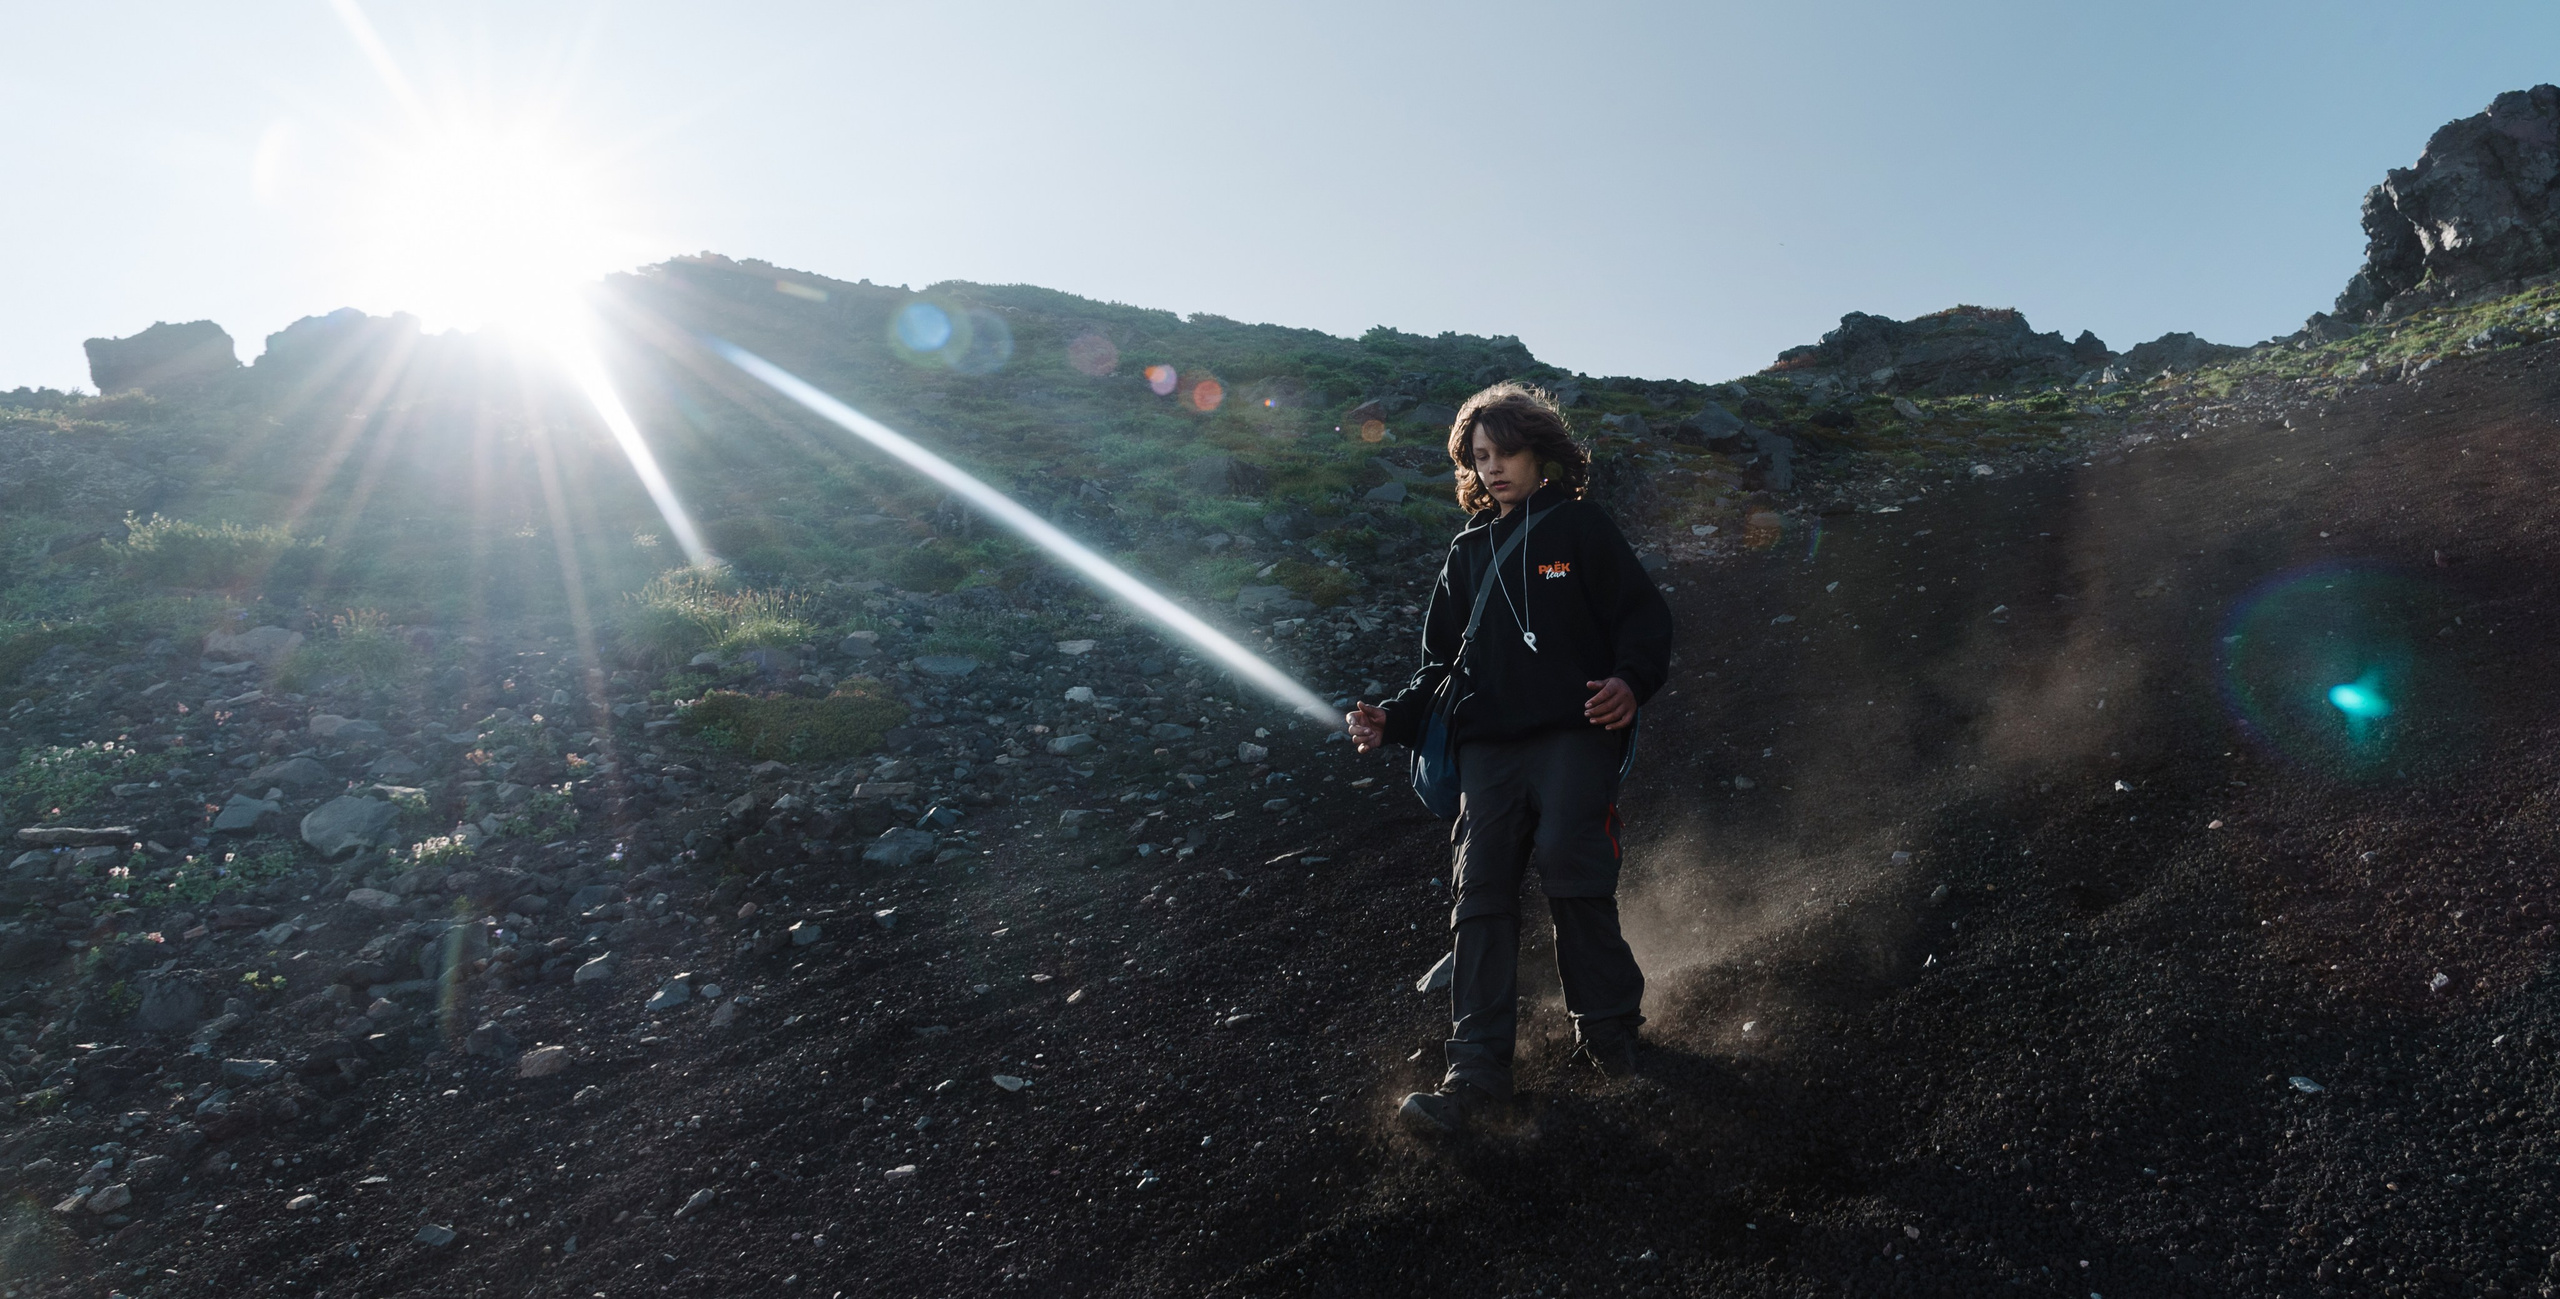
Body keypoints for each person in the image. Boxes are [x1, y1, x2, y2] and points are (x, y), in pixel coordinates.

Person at [1346, 381, 1674, 1136]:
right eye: (1480, 456)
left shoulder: (1581, 527)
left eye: (1507, 452)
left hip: (1574, 729)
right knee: (1481, 889)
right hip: (1487, 746)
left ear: (1541, 451)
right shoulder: (1466, 554)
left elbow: (1642, 617)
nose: (1493, 468)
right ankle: (1477, 1074)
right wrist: (1389, 718)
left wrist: (1630, 681)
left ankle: (1611, 1036)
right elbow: (1438, 670)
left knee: (1570, 858)